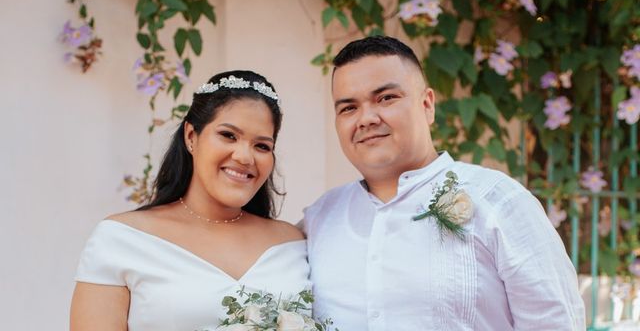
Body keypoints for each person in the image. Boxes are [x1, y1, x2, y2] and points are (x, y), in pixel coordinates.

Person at [303, 36, 585, 330]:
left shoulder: (499, 201)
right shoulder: (320, 219)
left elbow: (554, 323)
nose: (367, 119)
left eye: (386, 98)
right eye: (348, 108)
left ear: (427, 105)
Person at [70, 70, 309, 331]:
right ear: (191, 136)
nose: (244, 156)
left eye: (262, 146)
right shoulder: (121, 239)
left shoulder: (293, 243)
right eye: (228, 135)